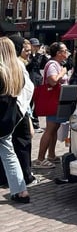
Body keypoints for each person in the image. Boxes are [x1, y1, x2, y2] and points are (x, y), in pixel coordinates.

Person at [0, 36, 30, 203]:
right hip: (8, 120)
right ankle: (20, 191)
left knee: (8, 154)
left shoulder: (1, 71)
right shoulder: (17, 71)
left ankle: (20, 190)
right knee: (9, 154)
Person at [33, 42, 69, 169]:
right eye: (65, 50)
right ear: (58, 53)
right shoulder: (53, 64)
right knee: (50, 129)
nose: (67, 52)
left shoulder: (56, 64)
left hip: (57, 101)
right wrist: (63, 72)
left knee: (54, 129)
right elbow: (52, 81)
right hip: (53, 101)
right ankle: (40, 159)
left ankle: (51, 155)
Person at [26, 37, 48, 134]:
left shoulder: (38, 55)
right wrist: (37, 55)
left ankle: (36, 122)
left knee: (37, 102)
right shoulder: (28, 55)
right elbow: (30, 66)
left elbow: (44, 65)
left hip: (38, 80)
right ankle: (30, 122)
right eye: (34, 46)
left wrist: (43, 55)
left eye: (37, 46)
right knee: (30, 103)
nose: (36, 48)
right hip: (30, 80)